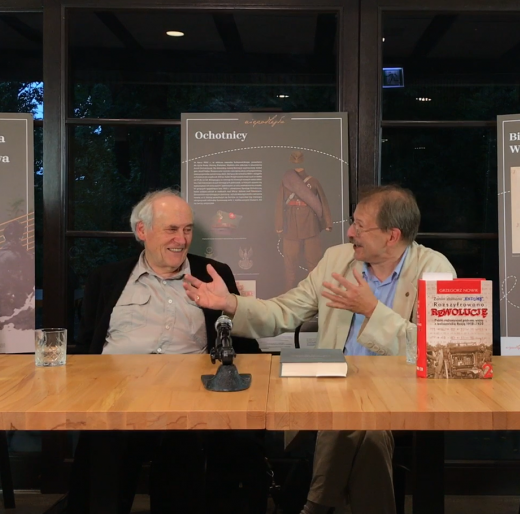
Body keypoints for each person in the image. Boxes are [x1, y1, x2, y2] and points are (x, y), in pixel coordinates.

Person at [185, 185, 457, 514]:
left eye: (360, 225)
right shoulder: (337, 260)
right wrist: (229, 302)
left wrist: (372, 310)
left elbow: (440, 349)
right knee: (363, 428)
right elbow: (283, 312)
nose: (350, 231)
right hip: (336, 389)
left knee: (357, 422)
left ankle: (315, 506)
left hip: (400, 394)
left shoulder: (435, 269)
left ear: (391, 235)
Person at [73, 189, 265, 514]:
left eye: (187, 229)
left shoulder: (212, 275)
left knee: (186, 460)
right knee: (102, 462)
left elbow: (242, 344)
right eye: (171, 229)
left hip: (188, 403)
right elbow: (89, 345)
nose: (181, 239)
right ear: (142, 231)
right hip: (118, 400)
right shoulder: (105, 278)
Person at [277, 150, 333, 289]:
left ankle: (313, 293)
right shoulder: (287, 180)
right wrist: (279, 224)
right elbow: (279, 203)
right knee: (290, 265)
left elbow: (323, 201)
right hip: (291, 226)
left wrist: (327, 222)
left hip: (310, 226)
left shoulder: (313, 181)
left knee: (313, 263)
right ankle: (289, 292)